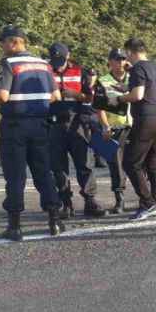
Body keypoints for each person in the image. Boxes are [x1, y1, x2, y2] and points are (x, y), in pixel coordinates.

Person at [0, 25, 65, 241]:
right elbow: (56, 96)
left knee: (15, 175)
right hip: (40, 125)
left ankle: (15, 227)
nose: (2, 46)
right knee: (43, 173)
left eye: (4, 42)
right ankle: (54, 220)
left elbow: (2, 96)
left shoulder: (9, 64)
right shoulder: (43, 64)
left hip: (15, 126)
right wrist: (37, 102)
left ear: (14, 42)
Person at [48, 43, 107, 218]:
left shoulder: (80, 72)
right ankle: (65, 202)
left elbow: (90, 97)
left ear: (68, 56)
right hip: (54, 124)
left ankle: (90, 200)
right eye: (55, 60)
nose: (58, 64)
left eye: (61, 60)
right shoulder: (46, 71)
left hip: (77, 123)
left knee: (84, 164)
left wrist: (74, 95)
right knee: (58, 167)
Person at [111, 38, 156, 221]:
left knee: (130, 162)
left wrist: (119, 99)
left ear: (130, 52)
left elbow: (138, 95)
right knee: (153, 164)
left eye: (126, 54)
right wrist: (125, 87)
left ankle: (148, 203)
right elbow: (146, 90)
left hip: (145, 121)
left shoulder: (137, 68)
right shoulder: (155, 66)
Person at [96, 48, 133, 214]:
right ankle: (120, 200)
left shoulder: (134, 78)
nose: (120, 62)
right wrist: (105, 126)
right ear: (109, 62)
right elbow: (99, 107)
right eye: (117, 59)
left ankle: (146, 198)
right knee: (116, 166)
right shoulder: (103, 81)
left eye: (123, 59)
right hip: (115, 128)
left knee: (138, 163)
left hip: (134, 126)